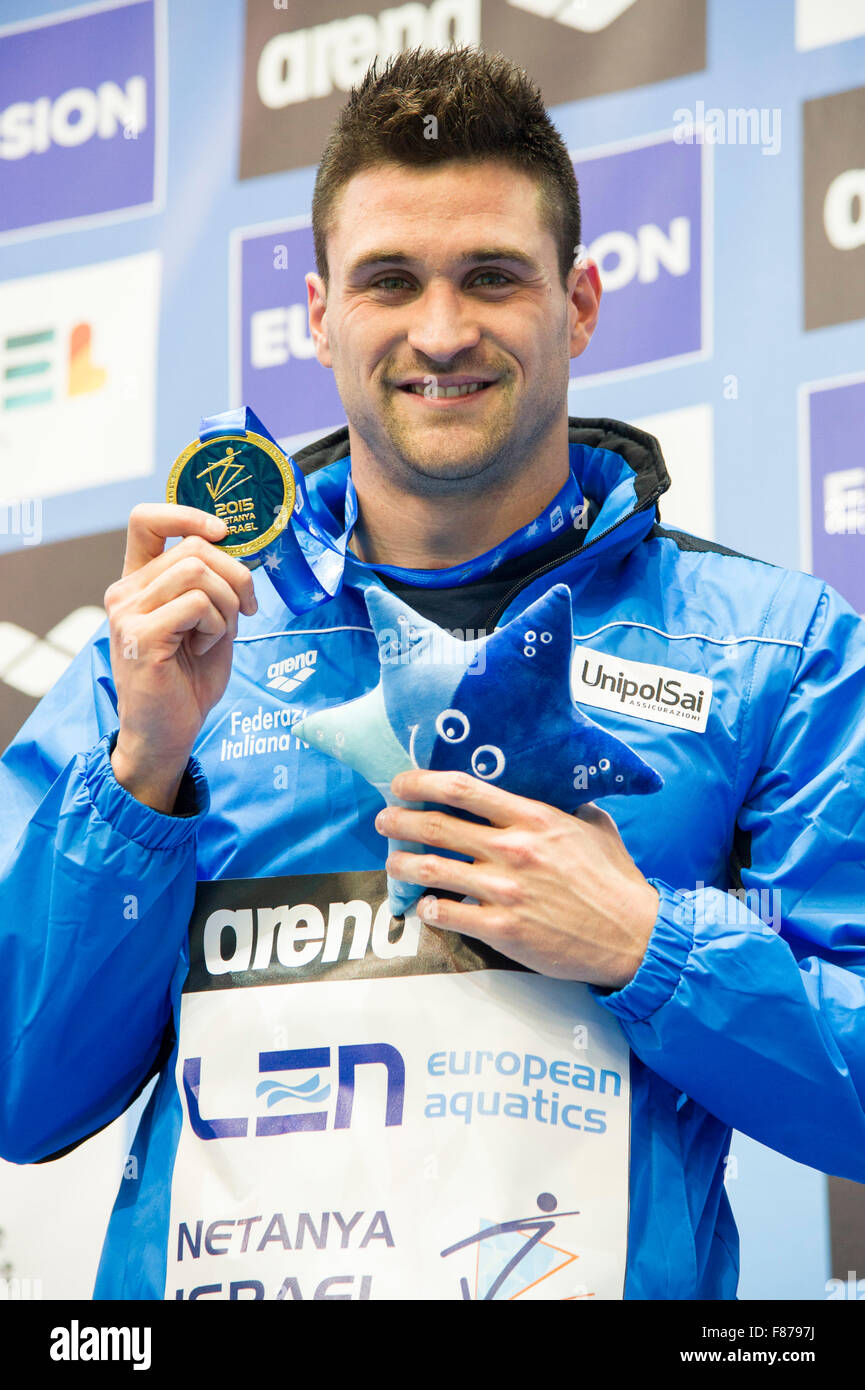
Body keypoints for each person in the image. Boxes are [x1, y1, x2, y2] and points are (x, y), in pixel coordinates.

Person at [1, 45, 864, 1302]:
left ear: (577, 303)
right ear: (318, 314)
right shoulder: (173, 646)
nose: (442, 330)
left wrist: (647, 946)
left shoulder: (769, 649)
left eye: (492, 278)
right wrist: (140, 775)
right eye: (390, 280)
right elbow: (25, 1096)